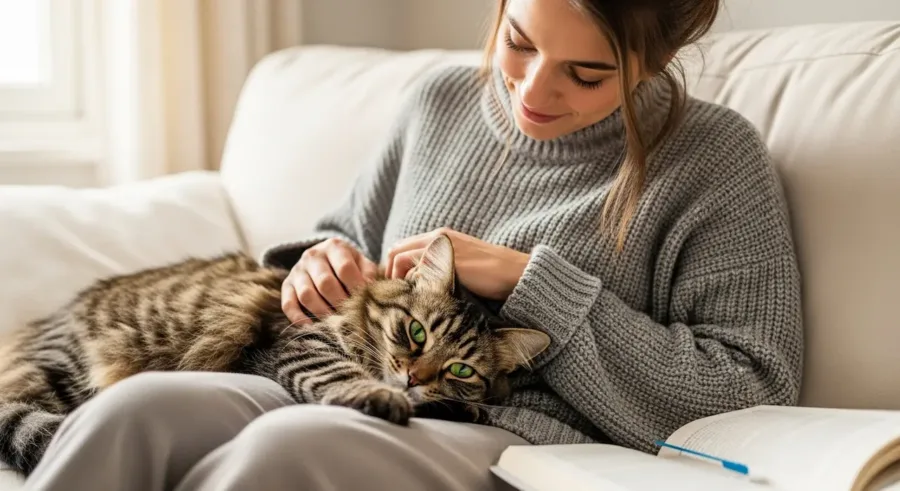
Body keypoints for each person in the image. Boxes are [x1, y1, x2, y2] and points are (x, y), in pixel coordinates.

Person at [25, 0, 803, 490]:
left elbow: (752, 387)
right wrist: (318, 265)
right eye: (519, 40)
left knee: (288, 453)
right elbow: (346, 243)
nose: (532, 90)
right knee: (135, 410)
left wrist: (536, 283)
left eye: (586, 73)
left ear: (654, 59)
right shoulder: (438, 103)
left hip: (504, 427)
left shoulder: (714, 161)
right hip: (341, 368)